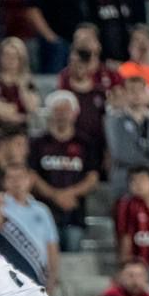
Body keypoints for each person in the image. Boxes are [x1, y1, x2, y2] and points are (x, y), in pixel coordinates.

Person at [29, 91, 99, 253]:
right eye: (57, 110)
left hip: (74, 214)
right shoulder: (38, 143)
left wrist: (70, 194)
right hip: (42, 214)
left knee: (74, 263)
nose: (61, 115)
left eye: (66, 110)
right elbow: (31, 174)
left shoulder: (85, 143)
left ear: (75, 113)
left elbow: (93, 176)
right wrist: (55, 195)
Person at [104, 75, 149, 202]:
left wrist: (148, 146)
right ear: (125, 93)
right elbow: (121, 153)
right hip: (125, 181)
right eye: (132, 90)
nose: (136, 95)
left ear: (145, 92)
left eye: (140, 90)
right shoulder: (114, 119)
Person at [0, 163, 60, 294]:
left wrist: (52, 277)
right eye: (11, 178)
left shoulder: (42, 210)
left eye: (20, 177)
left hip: (38, 278)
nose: (16, 182)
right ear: (4, 182)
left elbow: (52, 245)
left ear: (29, 180)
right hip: (9, 280)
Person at [114, 165, 149, 267]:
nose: (138, 184)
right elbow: (125, 236)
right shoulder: (125, 205)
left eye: (142, 179)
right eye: (133, 181)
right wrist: (125, 264)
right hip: (138, 266)